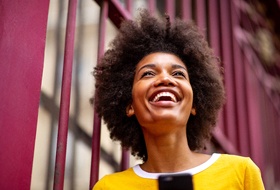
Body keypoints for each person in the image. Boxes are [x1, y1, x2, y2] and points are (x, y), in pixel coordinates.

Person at [92, 9, 265, 190]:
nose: (166, 79)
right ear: (129, 105)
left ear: (195, 104)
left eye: (178, 74)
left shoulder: (240, 173)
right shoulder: (109, 187)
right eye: (148, 73)